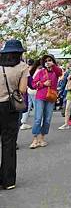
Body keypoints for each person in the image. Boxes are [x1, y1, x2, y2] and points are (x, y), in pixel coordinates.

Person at [0, 39, 28, 189]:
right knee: (9, 143)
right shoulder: (23, 67)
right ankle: (8, 180)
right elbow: (22, 90)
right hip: (9, 108)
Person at [30, 54, 62, 149]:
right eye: (46, 61)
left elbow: (60, 73)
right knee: (38, 118)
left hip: (51, 98)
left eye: (50, 60)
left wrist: (54, 65)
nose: (47, 62)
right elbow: (33, 84)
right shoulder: (40, 72)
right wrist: (43, 84)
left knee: (47, 119)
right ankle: (35, 139)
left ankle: (42, 138)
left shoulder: (56, 72)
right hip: (40, 97)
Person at [20, 58, 38, 130]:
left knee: (29, 105)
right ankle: (37, 122)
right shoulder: (24, 68)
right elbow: (31, 83)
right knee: (36, 106)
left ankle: (23, 122)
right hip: (23, 93)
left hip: (5, 98)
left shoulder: (4, 67)